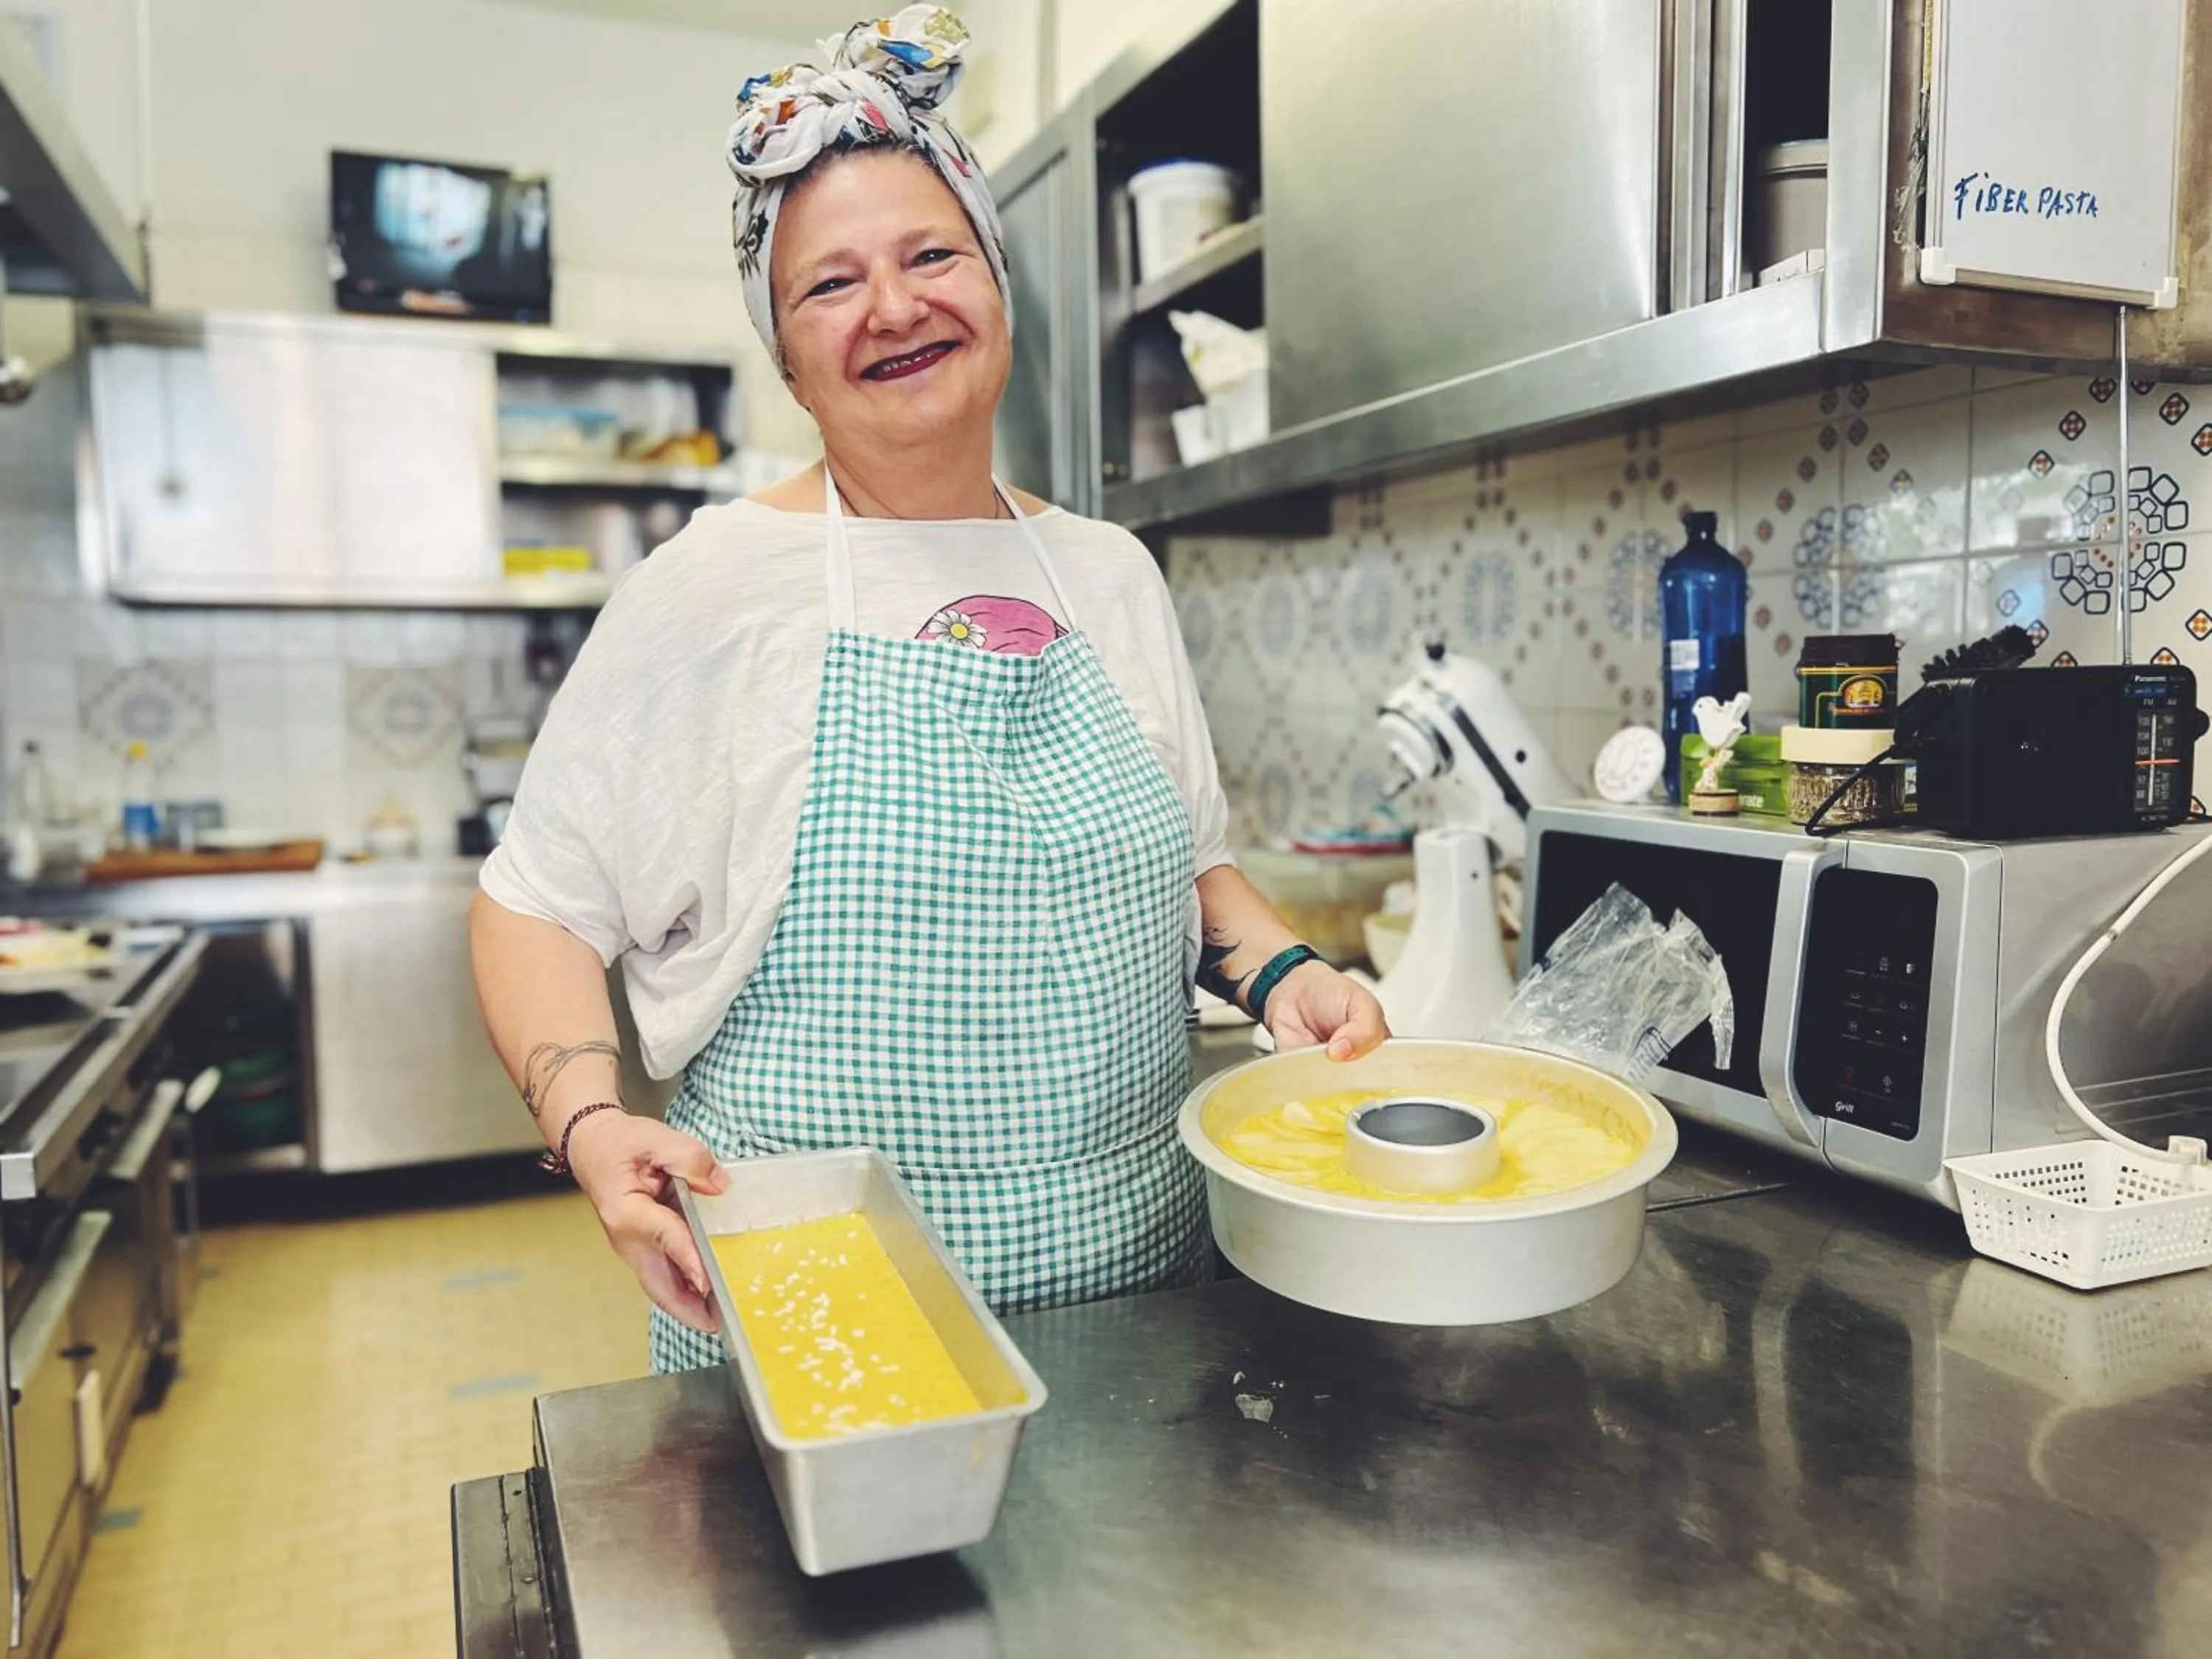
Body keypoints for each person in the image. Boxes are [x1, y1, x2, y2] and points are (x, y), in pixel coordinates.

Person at [468, 4, 1387, 1374]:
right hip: (822, 1321)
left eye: (931, 253)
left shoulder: (1110, 574)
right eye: (829, 285)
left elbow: (1194, 877)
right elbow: (533, 907)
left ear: (998, 284)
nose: (894, 306)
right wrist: (594, 1126)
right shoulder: (716, 588)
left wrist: (1289, 974)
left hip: (1139, 1311)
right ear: (785, 355)